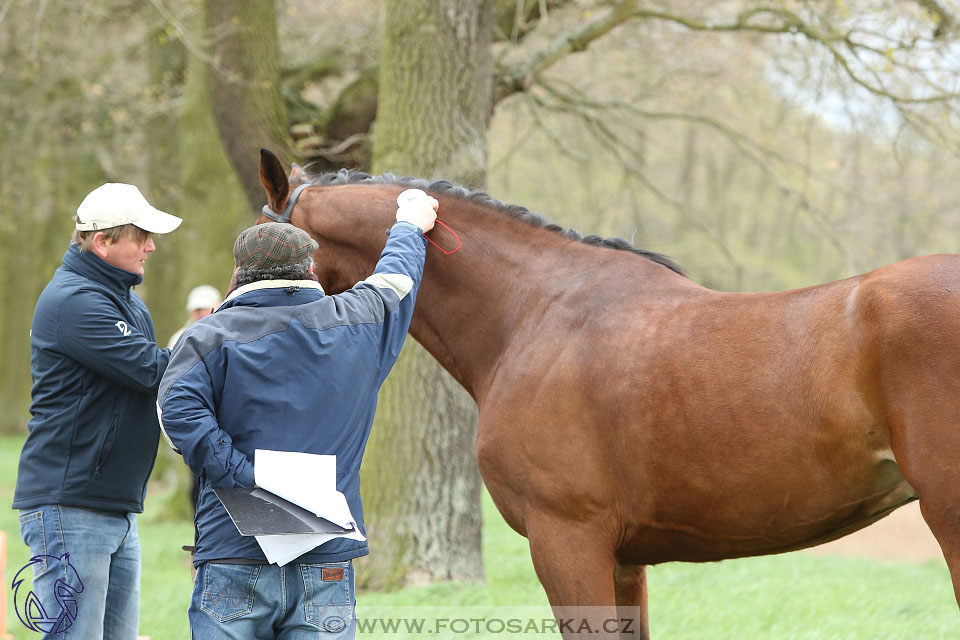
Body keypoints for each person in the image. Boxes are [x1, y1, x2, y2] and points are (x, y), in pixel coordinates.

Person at [157, 192, 437, 640]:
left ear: (237, 275)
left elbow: (175, 412)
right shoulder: (359, 321)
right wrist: (408, 225)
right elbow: (395, 280)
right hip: (326, 558)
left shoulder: (205, 337)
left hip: (232, 553)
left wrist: (241, 475)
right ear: (310, 269)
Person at [13, 182, 182, 639]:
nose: (151, 246)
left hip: (112, 505)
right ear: (103, 241)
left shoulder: (125, 301)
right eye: (141, 235)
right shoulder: (76, 303)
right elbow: (154, 370)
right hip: (71, 507)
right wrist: (218, 337)